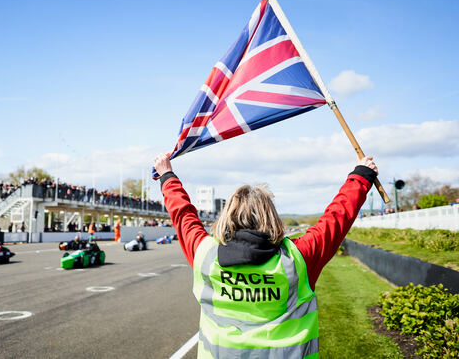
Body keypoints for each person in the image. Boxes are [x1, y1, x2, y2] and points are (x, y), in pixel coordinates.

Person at [153, 153, 378, 358]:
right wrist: (361, 176)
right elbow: (336, 218)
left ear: (227, 215)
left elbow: (182, 214)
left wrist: (167, 175)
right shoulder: (299, 258)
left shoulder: (205, 254)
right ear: (271, 215)